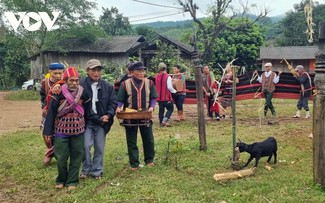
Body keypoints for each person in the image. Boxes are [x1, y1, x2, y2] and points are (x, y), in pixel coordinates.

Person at [43, 67, 91, 190]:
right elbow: (51, 113)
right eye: (71, 80)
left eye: (76, 80)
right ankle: (61, 180)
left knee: (77, 156)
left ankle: (72, 181)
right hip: (61, 131)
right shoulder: (58, 93)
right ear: (65, 80)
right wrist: (48, 131)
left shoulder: (83, 92)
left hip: (78, 130)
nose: (74, 83)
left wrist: (87, 125)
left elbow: (87, 110)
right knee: (61, 157)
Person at [116, 61, 158, 171]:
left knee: (148, 139)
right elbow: (120, 99)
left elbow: (153, 97)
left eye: (143, 70)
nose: (141, 73)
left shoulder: (150, 83)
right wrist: (119, 107)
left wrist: (152, 107)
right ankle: (134, 163)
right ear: (132, 72)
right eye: (139, 71)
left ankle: (149, 160)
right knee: (131, 140)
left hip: (145, 114)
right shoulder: (125, 84)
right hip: (130, 115)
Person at [80, 59, 118, 179]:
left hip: (102, 122)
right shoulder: (81, 85)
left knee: (99, 147)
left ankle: (97, 171)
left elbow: (113, 102)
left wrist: (109, 115)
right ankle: (85, 169)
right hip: (86, 121)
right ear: (87, 71)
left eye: (98, 70)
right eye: (93, 70)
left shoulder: (107, 86)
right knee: (85, 146)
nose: (96, 73)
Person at [39, 63, 65, 165]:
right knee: (46, 133)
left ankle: (50, 155)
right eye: (55, 73)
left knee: (59, 133)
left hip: (61, 112)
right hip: (47, 112)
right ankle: (51, 150)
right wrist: (43, 107)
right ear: (50, 72)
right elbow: (42, 97)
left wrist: (60, 83)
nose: (58, 76)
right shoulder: (44, 83)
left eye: (60, 73)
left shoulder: (65, 82)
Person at [155, 62, 177, 127]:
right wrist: (174, 91)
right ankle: (164, 120)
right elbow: (169, 87)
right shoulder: (168, 77)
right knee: (170, 109)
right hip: (166, 96)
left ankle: (161, 123)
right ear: (166, 68)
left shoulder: (157, 77)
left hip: (159, 97)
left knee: (161, 110)